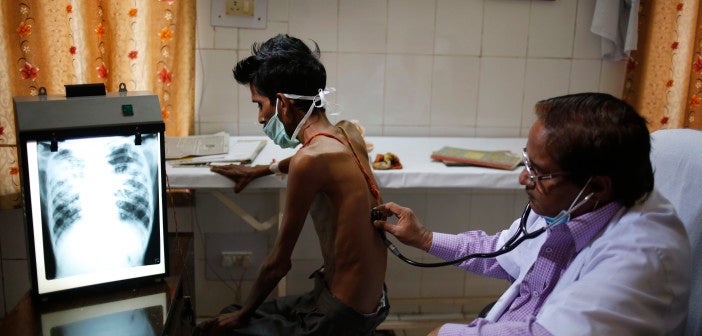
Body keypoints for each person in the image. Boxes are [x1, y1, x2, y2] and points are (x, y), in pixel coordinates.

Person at [373, 93, 691, 335]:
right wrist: (425, 238)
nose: (524, 179)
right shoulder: (571, 205)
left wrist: (447, 333)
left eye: (539, 172)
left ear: (597, 186)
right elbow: (503, 250)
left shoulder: (642, 255)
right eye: (528, 162)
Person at [197, 34, 389, 336]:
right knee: (244, 315)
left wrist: (244, 315)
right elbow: (315, 159)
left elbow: (278, 264)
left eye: (260, 105)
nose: (261, 118)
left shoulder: (308, 161)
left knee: (225, 322)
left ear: (283, 104)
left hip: (343, 315)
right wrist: (266, 168)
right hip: (373, 301)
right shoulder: (348, 133)